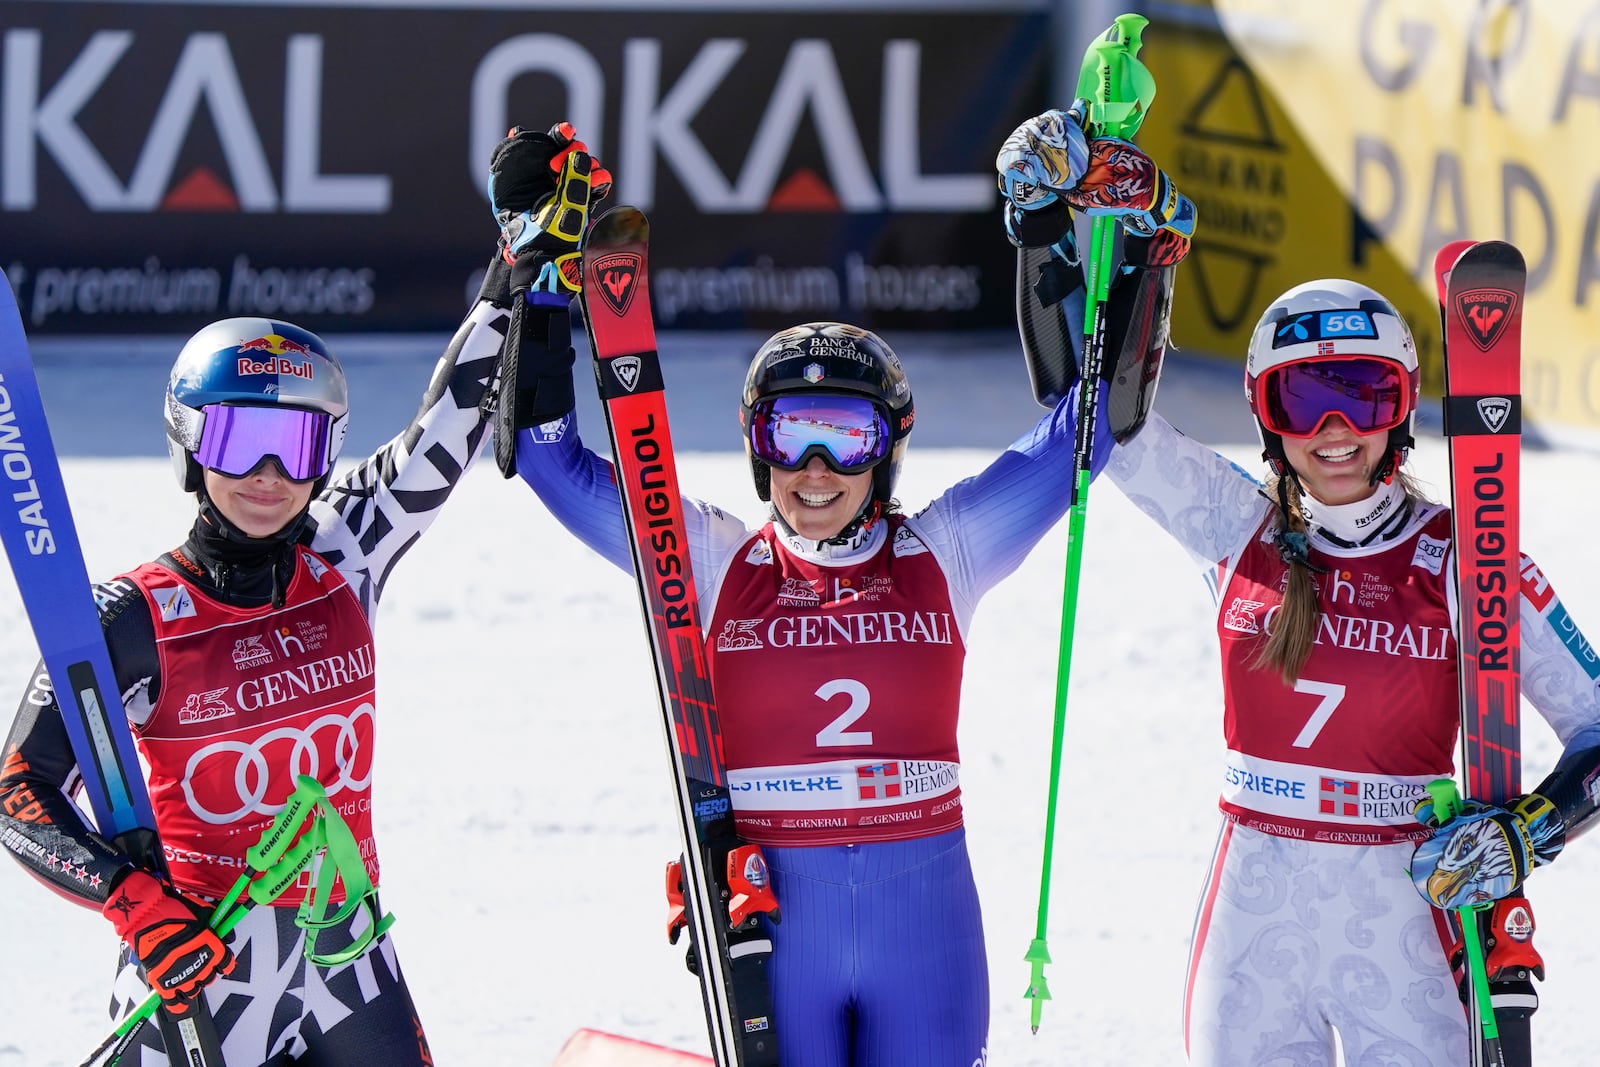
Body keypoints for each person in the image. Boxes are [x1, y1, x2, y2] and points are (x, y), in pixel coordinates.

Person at [491, 119, 1193, 1064]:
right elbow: (544, 459)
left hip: (927, 945)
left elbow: (1093, 423)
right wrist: (529, 273)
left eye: (847, 437)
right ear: (755, 448)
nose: (815, 470)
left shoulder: (946, 552)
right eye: (790, 435)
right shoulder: (702, 560)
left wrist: (1118, 234)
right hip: (783, 940)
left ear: (888, 451)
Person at [997, 108, 1600, 1067]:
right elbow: (1094, 417)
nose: (1334, 430)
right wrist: (1045, 228)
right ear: (1266, 418)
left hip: (1409, 914)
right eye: (1301, 399)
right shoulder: (1234, 527)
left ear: (1401, 410)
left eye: (1362, 396)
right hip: (1254, 918)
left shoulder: (1465, 559)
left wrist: (1533, 831)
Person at [0, 121, 606, 1064]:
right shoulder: (133, 616)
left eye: (302, 445)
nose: (271, 474)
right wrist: (134, 899)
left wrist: (517, 264)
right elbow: (18, 793)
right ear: (190, 446)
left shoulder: (345, 554)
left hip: (347, 960)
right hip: (198, 972)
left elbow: (445, 426)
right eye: (241, 440)